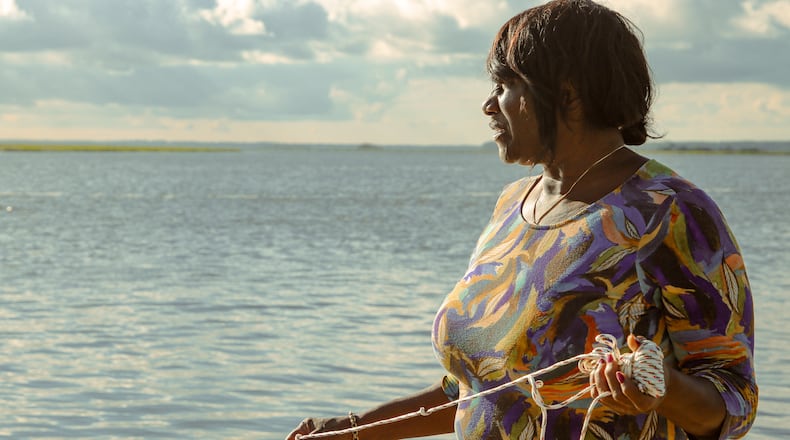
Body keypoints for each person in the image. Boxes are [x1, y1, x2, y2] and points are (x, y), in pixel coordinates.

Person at [286, 0, 758, 439]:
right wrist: (352, 429)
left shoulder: (671, 211)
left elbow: (734, 400)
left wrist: (659, 390)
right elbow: (484, 387)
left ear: (567, 93)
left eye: (505, 86)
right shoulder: (514, 205)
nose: (490, 105)